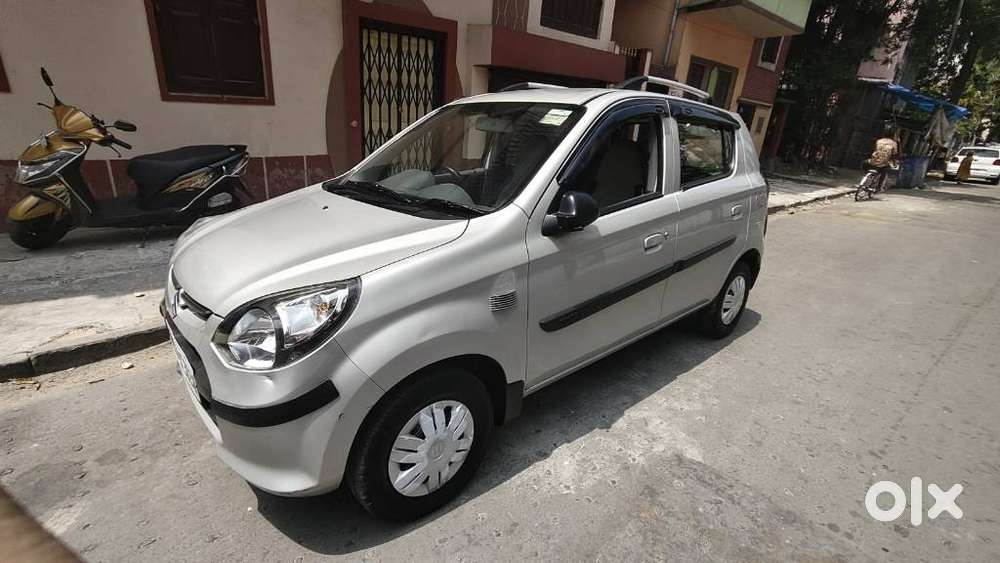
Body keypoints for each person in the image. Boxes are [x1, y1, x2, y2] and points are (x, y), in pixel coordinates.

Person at [869, 127, 899, 191]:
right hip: (883, 162)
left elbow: (875, 150)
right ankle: (879, 187)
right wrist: (894, 163)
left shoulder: (879, 141)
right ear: (892, 135)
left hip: (873, 160)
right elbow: (894, 155)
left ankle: (867, 177)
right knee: (883, 172)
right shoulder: (894, 143)